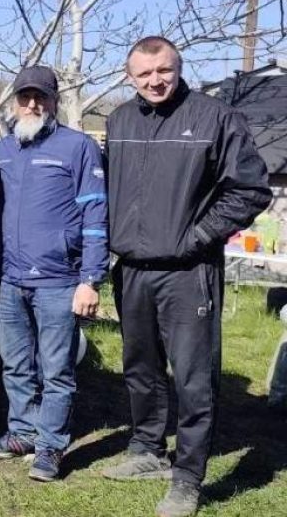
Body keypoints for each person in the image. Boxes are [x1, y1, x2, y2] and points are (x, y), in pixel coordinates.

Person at [102, 37, 270, 517]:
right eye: (144, 73)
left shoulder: (215, 118)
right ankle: (147, 451)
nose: (155, 81)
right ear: (128, 75)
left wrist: (196, 236)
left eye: (164, 70)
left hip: (188, 272)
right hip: (131, 269)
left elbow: (250, 189)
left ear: (178, 68)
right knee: (140, 369)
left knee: (193, 379)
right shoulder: (119, 121)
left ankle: (188, 479)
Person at [0, 65, 107, 482]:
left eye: (42, 97)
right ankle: (22, 432)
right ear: (14, 101)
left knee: (57, 369)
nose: (32, 104)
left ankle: (50, 446)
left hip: (59, 280)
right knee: (15, 364)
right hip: (12, 279)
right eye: (25, 97)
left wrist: (90, 279)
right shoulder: (5, 149)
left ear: (54, 102)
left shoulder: (79, 147)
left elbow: (95, 215)